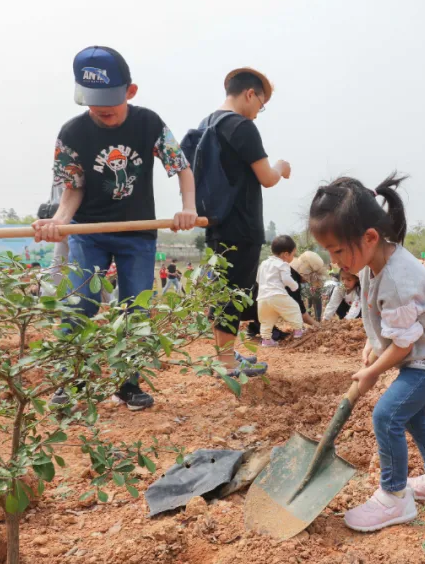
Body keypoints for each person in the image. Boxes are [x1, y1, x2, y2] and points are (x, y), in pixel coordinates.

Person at [35, 45, 197, 412]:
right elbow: (73, 187)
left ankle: (128, 385)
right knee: (81, 304)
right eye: (94, 103)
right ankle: (68, 381)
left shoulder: (149, 123)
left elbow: (182, 166)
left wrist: (188, 208)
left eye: (111, 100)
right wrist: (59, 222)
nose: (103, 110)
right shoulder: (72, 133)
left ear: (131, 91)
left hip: (137, 234)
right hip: (88, 232)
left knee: (134, 309)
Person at [309, 173, 425, 532]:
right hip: (424, 353)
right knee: (412, 416)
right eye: (329, 252)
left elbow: (405, 343)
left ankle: (394, 498)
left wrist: (372, 371)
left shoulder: (396, 278)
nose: (335, 262)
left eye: (337, 251)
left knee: (386, 415)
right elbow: (385, 321)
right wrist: (373, 342)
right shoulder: (370, 262)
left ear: (369, 237)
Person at [191, 67, 289, 377]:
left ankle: (225, 355)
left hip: (215, 222)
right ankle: (226, 363)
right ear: (250, 94)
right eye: (261, 105)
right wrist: (281, 166)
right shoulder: (241, 127)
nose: (259, 113)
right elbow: (267, 178)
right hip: (241, 225)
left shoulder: (206, 124)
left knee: (224, 291)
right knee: (234, 293)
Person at [256, 235, 303, 347]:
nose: (293, 257)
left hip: (262, 297)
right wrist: (295, 286)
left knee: (267, 319)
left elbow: (258, 279)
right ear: (286, 254)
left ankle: (266, 340)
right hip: (277, 294)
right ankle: (298, 331)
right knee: (294, 308)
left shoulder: (263, 264)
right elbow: (286, 279)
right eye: (293, 254)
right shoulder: (283, 264)